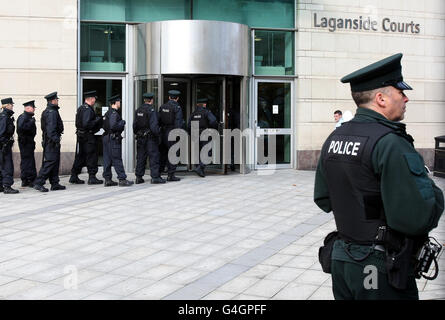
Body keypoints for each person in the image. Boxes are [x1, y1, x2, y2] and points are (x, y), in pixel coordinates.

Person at [314, 53, 444, 300]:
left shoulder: (334, 139)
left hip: (343, 261)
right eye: (400, 92)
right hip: (376, 266)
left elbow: (323, 199)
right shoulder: (390, 142)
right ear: (381, 98)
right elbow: (418, 216)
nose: (406, 98)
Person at [33, 92, 66, 192]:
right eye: (57, 100)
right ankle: (39, 182)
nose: (57, 101)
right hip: (51, 142)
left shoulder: (49, 111)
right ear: (53, 101)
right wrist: (56, 140)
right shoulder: (51, 112)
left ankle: (54, 183)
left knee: (54, 162)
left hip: (50, 141)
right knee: (50, 162)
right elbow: (51, 129)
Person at [69, 90, 103, 185]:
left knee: (81, 157)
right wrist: (97, 121)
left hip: (81, 136)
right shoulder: (88, 109)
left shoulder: (81, 108)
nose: (94, 101)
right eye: (94, 99)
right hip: (88, 137)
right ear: (91, 99)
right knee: (91, 156)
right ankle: (92, 177)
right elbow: (86, 124)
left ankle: (74, 176)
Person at [133, 92, 165, 184]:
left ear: (144, 100)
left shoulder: (138, 110)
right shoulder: (151, 111)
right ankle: (155, 177)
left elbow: (134, 125)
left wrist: (138, 133)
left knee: (140, 157)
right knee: (154, 157)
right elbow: (154, 126)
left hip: (140, 137)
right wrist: (158, 135)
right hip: (150, 138)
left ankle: (139, 177)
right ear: (151, 100)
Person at [102, 94, 133, 187]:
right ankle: (122, 179)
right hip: (113, 139)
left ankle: (107, 180)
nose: (120, 103)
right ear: (116, 103)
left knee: (107, 159)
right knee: (117, 159)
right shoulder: (114, 113)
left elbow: (104, 125)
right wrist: (122, 122)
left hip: (107, 138)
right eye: (119, 102)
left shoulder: (107, 113)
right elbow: (113, 126)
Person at [188, 98, 218, 177]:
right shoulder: (206, 112)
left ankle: (199, 169)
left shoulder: (193, 113)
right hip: (205, 133)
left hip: (195, 134)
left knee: (198, 152)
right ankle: (200, 167)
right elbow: (213, 121)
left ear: (198, 104)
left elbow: (188, 125)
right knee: (208, 152)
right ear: (204, 104)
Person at [158, 90, 183, 182]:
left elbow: (158, 120)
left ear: (169, 97)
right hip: (172, 132)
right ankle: (171, 175)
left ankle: (159, 173)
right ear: (177, 98)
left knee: (162, 154)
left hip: (163, 132)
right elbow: (178, 122)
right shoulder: (177, 107)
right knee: (173, 153)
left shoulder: (163, 106)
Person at [16, 100, 37, 188]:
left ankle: (26, 180)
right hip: (25, 143)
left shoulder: (27, 117)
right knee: (28, 162)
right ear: (28, 108)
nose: (34, 109)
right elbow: (21, 129)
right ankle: (29, 180)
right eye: (33, 107)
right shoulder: (24, 117)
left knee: (27, 161)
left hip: (28, 142)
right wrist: (31, 122)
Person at [0, 97, 19, 194]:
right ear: (7, 105)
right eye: (11, 105)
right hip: (4, 146)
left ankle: (1, 186)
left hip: (4, 145)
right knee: (7, 166)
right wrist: (5, 143)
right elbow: (1, 133)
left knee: (2, 166)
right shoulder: (4, 117)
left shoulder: (5, 116)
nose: (12, 106)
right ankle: (7, 186)